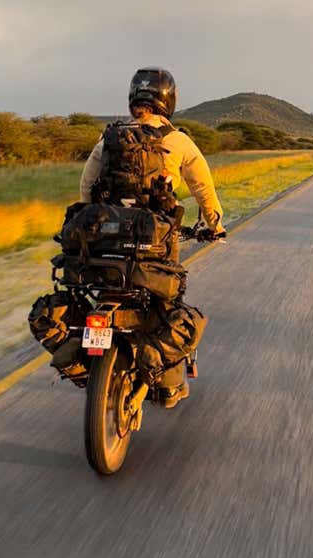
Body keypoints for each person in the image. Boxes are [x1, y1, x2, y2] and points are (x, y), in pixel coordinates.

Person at [77, 67, 225, 408]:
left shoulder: (109, 137)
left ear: (133, 99)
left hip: (105, 242)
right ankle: (168, 386)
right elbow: (203, 187)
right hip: (154, 243)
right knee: (167, 307)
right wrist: (214, 225)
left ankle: (98, 366)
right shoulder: (178, 139)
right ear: (168, 100)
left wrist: (91, 219)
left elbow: (86, 185)